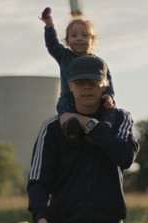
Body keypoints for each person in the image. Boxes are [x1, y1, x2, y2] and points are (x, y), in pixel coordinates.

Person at [27, 55, 139, 223]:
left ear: (104, 84)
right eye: (80, 83)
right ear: (70, 86)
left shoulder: (121, 120)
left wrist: (88, 125)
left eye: (93, 82)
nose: (86, 88)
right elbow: (37, 181)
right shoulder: (52, 128)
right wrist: (40, 218)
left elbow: (124, 156)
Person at [39, 7, 117, 140]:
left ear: (92, 40)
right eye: (74, 35)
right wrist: (49, 26)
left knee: (111, 110)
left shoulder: (98, 63)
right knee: (63, 107)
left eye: (84, 35)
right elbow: (52, 45)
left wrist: (109, 95)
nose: (79, 39)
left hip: (93, 99)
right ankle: (71, 129)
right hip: (69, 96)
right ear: (67, 41)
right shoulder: (64, 56)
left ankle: (106, 127)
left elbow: (107, 80)